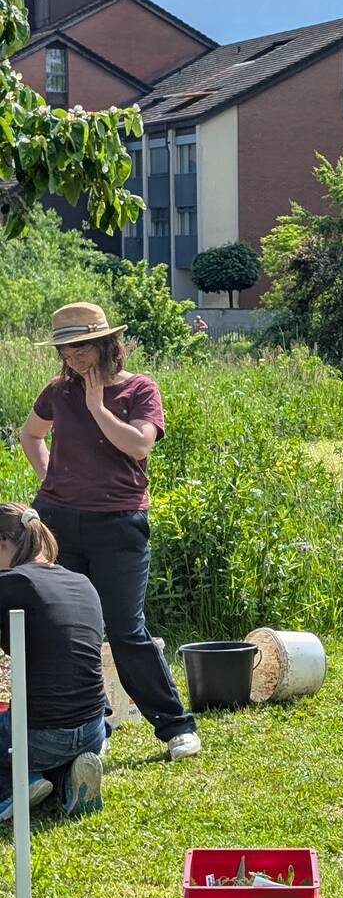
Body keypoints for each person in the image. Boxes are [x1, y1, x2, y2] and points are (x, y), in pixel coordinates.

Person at [19, 302, 201, 761]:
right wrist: (49, 481)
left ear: (106, 343)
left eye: (81, 346)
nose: (74, 356)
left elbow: (139, 445)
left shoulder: (140, 388)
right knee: (66, 631)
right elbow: (31, 435)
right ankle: (90, 726)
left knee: (125, 629)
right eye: (66, 348)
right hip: (57, 522)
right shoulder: (57, 391)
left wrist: (97, 406)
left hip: (119, 523)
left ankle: (176, 727)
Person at [0, 503, 105, 818]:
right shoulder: (81, 582)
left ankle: (15, 785)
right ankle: (64, 781)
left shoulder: (14, 582)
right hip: (93, 729)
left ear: (3, 542)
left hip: (39, 736)